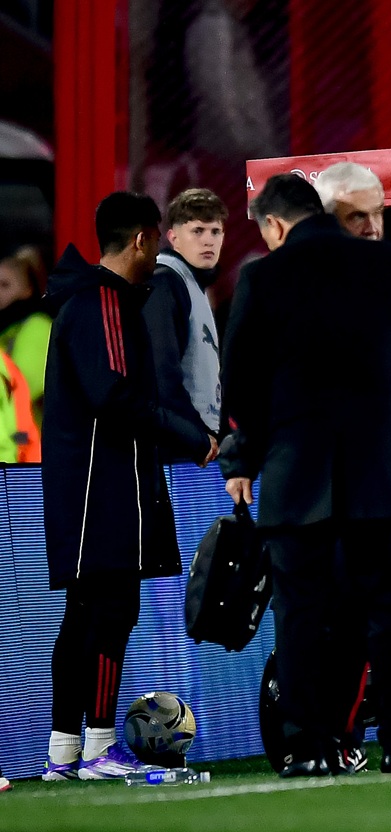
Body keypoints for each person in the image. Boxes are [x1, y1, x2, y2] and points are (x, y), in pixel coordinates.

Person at [220, 173, 391, 776]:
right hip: (378, 474)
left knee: (299, 615)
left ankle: (307, 749)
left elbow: (241, 383)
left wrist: (245, 458)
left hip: (295, 477)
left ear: (274, 225)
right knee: (386, 613)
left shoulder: (262, 277)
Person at [41, 192, 215, 781]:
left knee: (84, 614)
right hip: (102, 486)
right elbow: (114, 395)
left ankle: (64, 754)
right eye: (158, 238)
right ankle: (98, 748)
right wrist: (190, 437)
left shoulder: (85, 300)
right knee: (113, 609)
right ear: (141, 238)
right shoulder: (104, 301)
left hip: (84, 485)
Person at [142, 189, 227, 464]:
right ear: (173, 237)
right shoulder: (166, 282)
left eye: (215, 232)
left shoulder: (195, 284)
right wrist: (194, 436)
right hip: (175, 447)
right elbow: (162, 371)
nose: (208, 241)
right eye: (198, 231)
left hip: (195, 442)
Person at [0, 240, 52, 425]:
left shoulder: (37, 326)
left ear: (27, 290)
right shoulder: (10, 329)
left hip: (27, 445)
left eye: (5, 285)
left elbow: (21, 387)